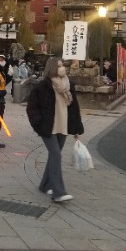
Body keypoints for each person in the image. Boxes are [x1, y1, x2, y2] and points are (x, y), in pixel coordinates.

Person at [26, 58, 84, 202]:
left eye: (62, 65)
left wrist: (76, 128)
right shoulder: (42, 87)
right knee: (56, 155)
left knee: (54, 156)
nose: (62, 68)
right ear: (52, 68)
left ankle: (45, 185)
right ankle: (58, 192)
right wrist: (38, 123)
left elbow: (74, 108)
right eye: (58, 66)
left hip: (63, 125)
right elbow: (32, 107)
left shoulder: (69, 85)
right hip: (48, 127)